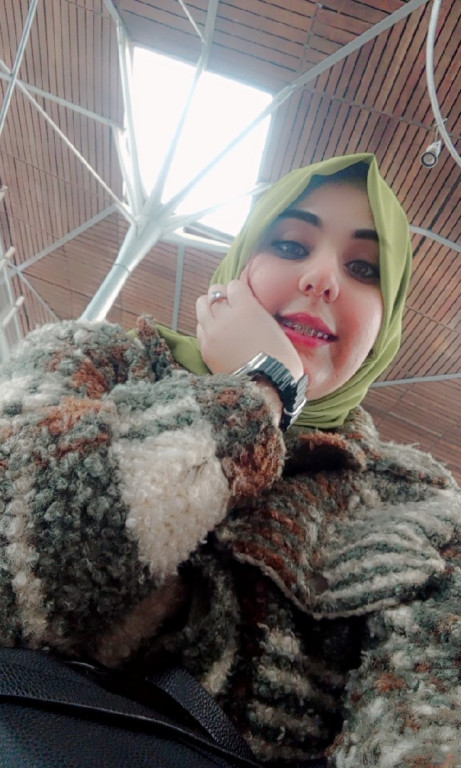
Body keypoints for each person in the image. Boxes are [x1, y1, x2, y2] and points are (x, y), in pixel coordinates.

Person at [0, 153, 459, 767]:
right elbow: (10, 567)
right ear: (239, 267)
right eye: (291, 246)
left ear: (387, 324)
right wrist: (260, 392)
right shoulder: (94, 359)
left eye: (362, 267)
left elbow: (430, 723)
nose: (322, 278)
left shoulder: (419, 500)